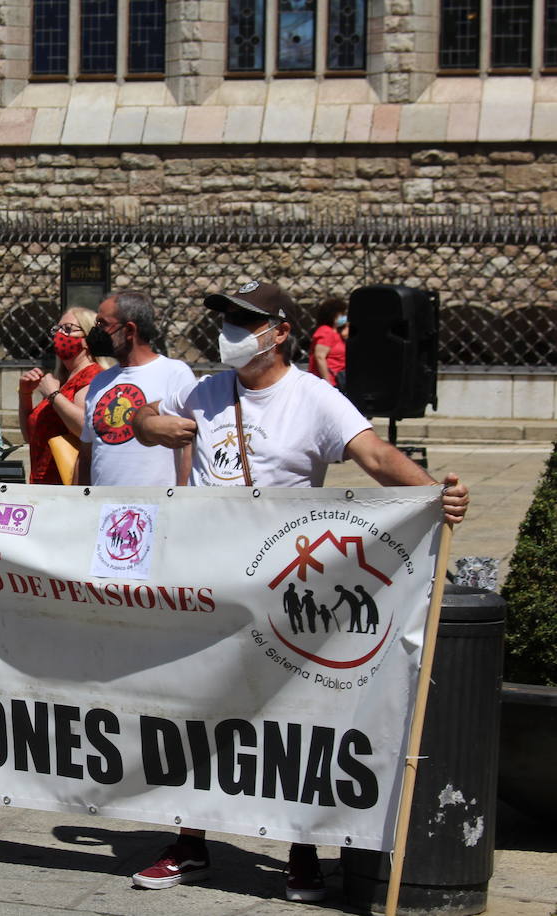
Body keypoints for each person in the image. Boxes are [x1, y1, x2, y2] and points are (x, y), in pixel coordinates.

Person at [131, 279, 469, 902]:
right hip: (207, 585)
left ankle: (302, 850)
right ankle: (190, 841)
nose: (229, 329)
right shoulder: (206, 390)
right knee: (197, 714)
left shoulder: (313, 397)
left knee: (295, 717)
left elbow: (372, 455)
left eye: (244, 320)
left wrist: (434, 496)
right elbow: (144, 420)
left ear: (280, 332)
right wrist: (156, 425)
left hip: (286, 588)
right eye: (226, 318)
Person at [77, 291, 195, 487]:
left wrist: (182, 501)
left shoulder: (175, 373)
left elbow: (190, 450)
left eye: (103, 324)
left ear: (130, 330)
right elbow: (87, 455)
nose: (95, 331)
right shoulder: (100, 382)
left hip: (156, 509)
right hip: (103, 510)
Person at [17, 307, 102, 484]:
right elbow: (30, 436)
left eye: (68, 329)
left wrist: (53, 395)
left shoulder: (92, 377)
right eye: (57, 329)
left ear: (87, 339)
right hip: (44, 485)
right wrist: (25, 394)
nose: (59, 335)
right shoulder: (61, 381)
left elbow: (85, 429)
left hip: (67, 486)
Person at [310, 297, 348, 388]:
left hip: (337, 379)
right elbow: (320, 356)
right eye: (342, 314)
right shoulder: (326, 332)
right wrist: (327, 382)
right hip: (329, 383)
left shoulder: (335, 332)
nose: (344, 316)